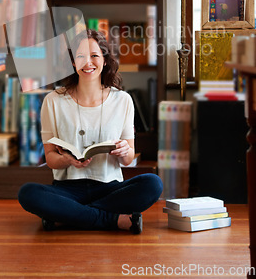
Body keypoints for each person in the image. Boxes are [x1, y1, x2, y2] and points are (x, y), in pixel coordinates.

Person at [18, 29, 163, 233]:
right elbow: (50, 157)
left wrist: (124, 151)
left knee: (152, 183)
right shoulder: (53, 100)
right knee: (28, 193)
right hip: (67, 188)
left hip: (109, 187)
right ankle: (112, 220)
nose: (88, 63)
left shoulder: (122, 100)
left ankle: (68, 216)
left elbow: (128, 158)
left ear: (105, 60)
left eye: (94, 56)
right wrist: (67, 160)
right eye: (80, 57)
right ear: (72, 62)